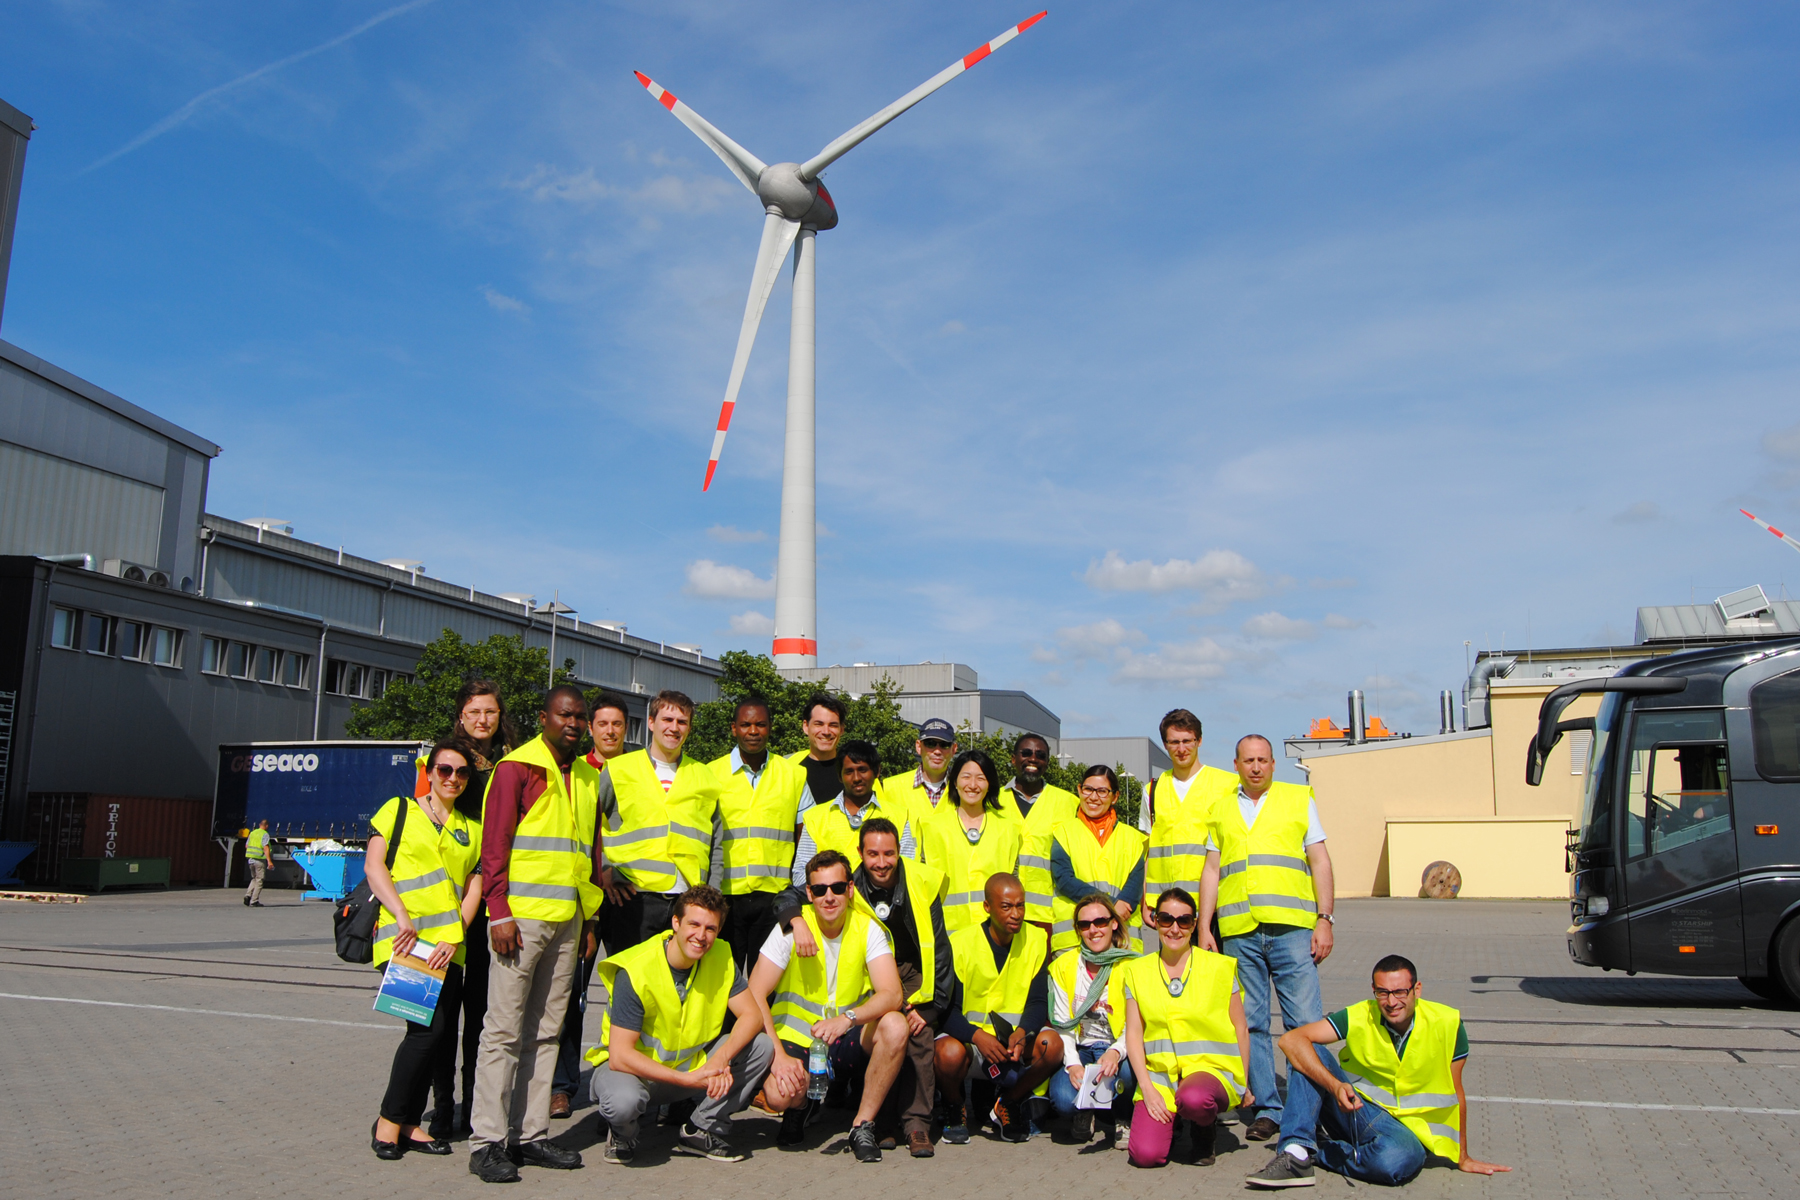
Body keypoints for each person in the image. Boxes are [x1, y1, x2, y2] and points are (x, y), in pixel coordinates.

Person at [468, 685, 603, 1184]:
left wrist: (588, 920)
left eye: (580, 717)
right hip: (519, 921)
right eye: (564, 715)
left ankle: (530, 1135)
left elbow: (587, 854)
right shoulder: (516, 769)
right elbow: (494, 846)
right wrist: (497, 912)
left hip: (567, 920)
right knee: (503, 1031)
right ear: (544, 716)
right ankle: (486, 1141)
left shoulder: (588, 775)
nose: (573, 723)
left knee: (547, 1031)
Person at [769, 817, 952, 1157]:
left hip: (914, 970)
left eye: (889, 853)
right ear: (861, 854)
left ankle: (915, 1126)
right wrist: (794, 919)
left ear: (900, 852)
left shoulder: (921, 881)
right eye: (872, 854)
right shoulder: (842, 879)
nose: (881, 862)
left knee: (916, 1032)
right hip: (874, 971)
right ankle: (879, 1126)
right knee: (887, 1029)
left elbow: (939, 948)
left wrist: (932, 1006)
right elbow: (790, 894)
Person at [1246, 955, 1510, 1188]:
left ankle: (1320, 1151)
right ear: (1373, 991)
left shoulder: (1448, 1023)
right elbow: (1289, 1040)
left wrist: (1462, 1157)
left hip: (1410, 1131)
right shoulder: (1360, 1014)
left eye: (1400, 992)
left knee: (1395, 1163)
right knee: (1307, 1052)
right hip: (1358, 1112)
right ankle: (1295, 1152)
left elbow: (1457, 1094)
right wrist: (1336, 1085)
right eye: (1383, 992)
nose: (1391, 1001)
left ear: (1416, 990)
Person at [1199, 734, 1334, 1144]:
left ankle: (1305, 1109)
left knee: (1304, 1024)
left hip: (1293, 930)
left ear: (1273, 764)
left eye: (1263, 760)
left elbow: (1320, 860)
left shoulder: (1298, 799)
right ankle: (1268, 1109)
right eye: (1248, 760)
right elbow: (1211, 870)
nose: (1256, 766)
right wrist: (1206, 926)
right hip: (1240, 931)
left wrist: (1325, 918)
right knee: (1253, 1023)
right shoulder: (1221, 809)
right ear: (1236, 764)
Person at [585, 885, 776, 1166]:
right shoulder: (636, 969)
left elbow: (752, 1016)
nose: (701, 936)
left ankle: (701, 1129)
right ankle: (622, 1133)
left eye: (711, 928)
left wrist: (721, 1059)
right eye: (694, 924)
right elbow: (620, 1055)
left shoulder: (720, 956)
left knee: (761, 1045)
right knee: (623, 1103)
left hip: (690, 1068)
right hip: (634, 1073)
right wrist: (690, 1080)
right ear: (676, 923)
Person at [365, 738, 485, 1160]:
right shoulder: (399, 810)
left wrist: (456, 936)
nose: (453, 778)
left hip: (447, 949)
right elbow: (374, 865)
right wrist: (400, 914)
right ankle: (388, 1123)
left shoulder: (472, 829)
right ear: (430, 772)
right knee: (425, 1033)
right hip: (405, 942)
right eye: (445, 770)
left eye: (462, 772)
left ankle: (409, 1123)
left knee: (433, 1037)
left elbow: (475, 886)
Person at [750, 850, 910, 1163]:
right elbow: (754, 993)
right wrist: (779, 1057)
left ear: (850, 889)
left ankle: (861, 1125)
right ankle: (800, 1107)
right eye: (820, 890)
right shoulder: (791, 928)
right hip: (797, 1040)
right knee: (779, 1095)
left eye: (837, 888)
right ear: (808, 893)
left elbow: (892, 994)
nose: (829, 897)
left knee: (895, 1025)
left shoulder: (868, 928)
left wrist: (849, 1019)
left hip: (844, 1038)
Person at [437, 679, 518, 1137]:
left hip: (494, 897)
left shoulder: (512, 759)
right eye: (474, 713)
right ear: (461, 716)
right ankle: (441, 1107)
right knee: (442, 1013)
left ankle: (475, 1106)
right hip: (452, 896)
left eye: (490, 712)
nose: (482, 720)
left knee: (484, 1012)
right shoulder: (449, 759)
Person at [1122, 886, 1249, 1169]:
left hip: (1210, 1071)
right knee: (1145, 1156)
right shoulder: (1136, 971)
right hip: (1161, 1078)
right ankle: (1174, 1120)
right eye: (1166, 919)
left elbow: (1241, 1027)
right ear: (1154, 920)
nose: (1175, 928)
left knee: (1193, 1098)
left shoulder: (1220, 967)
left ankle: (1203, 1127)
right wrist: (1147, 1088)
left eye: (1184, 921)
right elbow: (1133, 1033)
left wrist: (1246, 1082)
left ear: (1194, 924)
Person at [550, 692, 632, 1119]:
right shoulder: (577, 773)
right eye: (602, 724)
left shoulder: (640, 773)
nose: (610, 731)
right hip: (583, 903)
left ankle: (627, 1073)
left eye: (618, 724)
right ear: (591, 729)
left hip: (625, 899)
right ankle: (561, 1086)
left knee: (628, 992)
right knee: (569, 993)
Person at [934, 873, 1060, 1144]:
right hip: (972, 1043)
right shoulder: (960, 943)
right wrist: (977, 1036)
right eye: (1006, 906)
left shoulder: (1037, 939)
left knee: (1053, 1045)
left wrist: (1024, 1032)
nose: (1016, 914)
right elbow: (946, 1012)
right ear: (987, 907)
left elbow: (1038, 1001)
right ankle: (954, 1108)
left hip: (1011, 1044)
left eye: (1021, 905)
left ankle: (1008, 1103)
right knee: (947, 1053)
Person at [597, 690, 721, 956]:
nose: (674, 728)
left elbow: (717, 841)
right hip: (633, 899)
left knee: (677, 988)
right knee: (630, 984)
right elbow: (590, 825)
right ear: (651, 722)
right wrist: (603, 870)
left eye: (682, 722)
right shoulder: (619, 769)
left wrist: (712, 896)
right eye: (667, 719)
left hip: (686, 902)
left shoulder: (705, 776)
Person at [709, 696, 812, 972]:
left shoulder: (793, 775)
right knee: (721, 983)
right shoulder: (709, 774)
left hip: (774, 899)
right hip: (725, 897)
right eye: (745, 725)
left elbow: (807, 838)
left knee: (765, 986)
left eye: (760, 724)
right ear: (733, 728)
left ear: (770, 727)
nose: (753, 731)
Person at [1046, 893, 1139, 1148]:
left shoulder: (1133, 966)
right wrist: (1073, 1064)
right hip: (1082, 1047)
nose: (1093, 930)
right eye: (1085, 925)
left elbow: (1136, 1024)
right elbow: (1062, 1024)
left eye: (1100, 921)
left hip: (1119, 1046)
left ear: (1114, 923)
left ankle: (1122, 1117)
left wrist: (1115, 1052)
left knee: (1129, 1075)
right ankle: (1084, 1111)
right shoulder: (1064, 966)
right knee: (1063, 1099)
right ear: (1078, 930)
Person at [1140, 708, 1238, 941]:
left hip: (1216, 906)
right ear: (1165, 744)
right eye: (1174, 742)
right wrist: (1145, 901)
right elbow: (1147, 851)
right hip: (1169, 909)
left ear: (1199, 741)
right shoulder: (1152, 790)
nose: (1181, 749)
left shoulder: (1228, 785)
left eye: (1187, 741)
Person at [789, 740, 917, 890]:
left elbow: (908, 870)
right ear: (839, 776)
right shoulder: (815, 817)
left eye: (863, 770)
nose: (856, 778)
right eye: (849, 772)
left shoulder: (898, 815)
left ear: (877, 772)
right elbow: (800, 875)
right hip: (831, 906)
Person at [1048, 766, 1147, 954]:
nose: (1093, 797)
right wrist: (1110, 906)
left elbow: (1135, 886)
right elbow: (1064, 880)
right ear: (1079, 790)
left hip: (1122, 938)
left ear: (1115, 797)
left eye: (1102, 791)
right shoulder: (1064, 833)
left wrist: (1116, 908)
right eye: (1088, 789)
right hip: (1074, 939)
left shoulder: (1133, 838)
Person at [920, 749, 1022, 930]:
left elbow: (1014, 882)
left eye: (981, 778)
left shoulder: (1008, 829)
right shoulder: (931, 827)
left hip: (994, 933)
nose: (973, 785)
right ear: (955, 782)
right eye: (966, 777)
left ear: (990, 784)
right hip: (946, 932)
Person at [997, 734, 1078, 932]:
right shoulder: (993, 801)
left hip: (1048, 916)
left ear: (1047, 763)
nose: (1033, 759)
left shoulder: (1068, 803)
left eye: (1040, 755)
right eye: (1026, 753)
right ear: (1013, 758)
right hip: (1001, 912)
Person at [880, 717, 958, 828]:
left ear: (954, 749)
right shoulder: (889, 788)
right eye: (930, 743)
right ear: (918, 746)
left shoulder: (965, 789)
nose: (937, 751)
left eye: (944, 744)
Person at [790, 693, 848, 808]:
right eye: (819, 724)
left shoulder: (857, 771)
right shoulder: (788, 768)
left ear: (841, 730)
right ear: (806, 726)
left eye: (833, 725)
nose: (826, 731)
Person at [243, 819, 271, 907]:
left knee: (254, 878)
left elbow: (246, 845)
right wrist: (269, 861)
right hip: (259, 860)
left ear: (259, 825)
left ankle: (248, 895)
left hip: (250, 859)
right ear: (266, 826)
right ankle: (254, 900)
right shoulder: (264, 834)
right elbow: (266, 847)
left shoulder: (252, 833)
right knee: (259, 880)